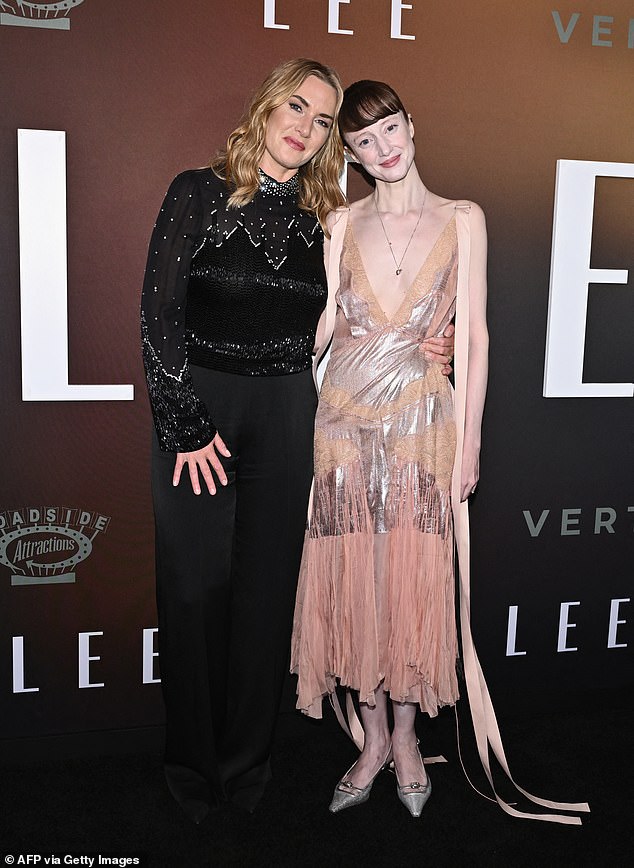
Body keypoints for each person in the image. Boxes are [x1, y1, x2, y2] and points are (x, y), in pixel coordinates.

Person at [141, 62, 455, 822]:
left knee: (262, 602)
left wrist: (424, 348)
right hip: (201, 416)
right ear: (265, 106)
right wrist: (184, 421)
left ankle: (246, 771)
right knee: (193, 596)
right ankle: (191, 771)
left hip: (289, 412)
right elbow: (160, 315)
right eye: (296, 107)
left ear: (328, 145)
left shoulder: (323, 218)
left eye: (321, 123)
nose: (304, 127)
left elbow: (345, 324)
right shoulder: (197, 191)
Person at [290, 79, 489, 817]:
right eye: (364, 142)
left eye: (391, 130)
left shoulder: (464, 220)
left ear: (413, 123)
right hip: (342, 425)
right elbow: (316, 332)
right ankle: (371, 741)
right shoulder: (340, 222)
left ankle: (406, 738)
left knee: (409, 582)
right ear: (349, 155)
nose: (384, 149)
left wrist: (468, 442)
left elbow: (472, 337)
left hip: (420, 428)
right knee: (353, 584)